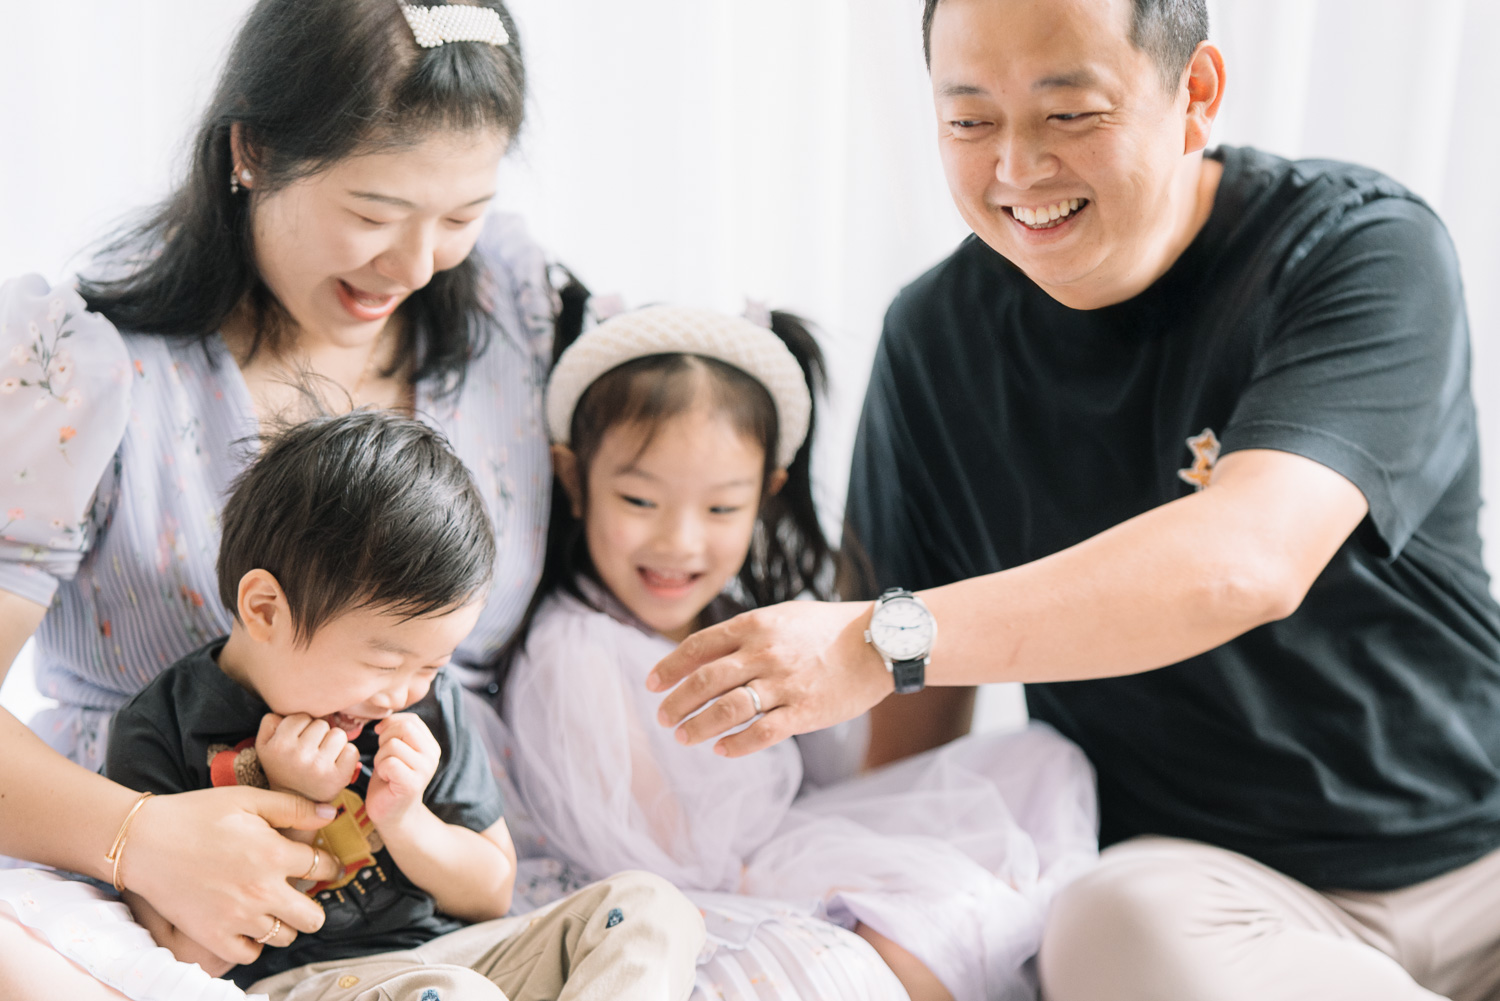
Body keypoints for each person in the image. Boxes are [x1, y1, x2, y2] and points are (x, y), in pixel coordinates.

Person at [647, 0, 1500, 998]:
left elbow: (1248, 557)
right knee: (1102, 921)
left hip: (1482, 849)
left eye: (1069, 114)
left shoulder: (1354, 247)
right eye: (969, 120)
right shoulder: (934, 343)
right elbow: (908, 735)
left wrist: (871, 640)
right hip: (1212, 890)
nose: (1015, 168)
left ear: (1198, 94)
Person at [0, 2, 560, 997]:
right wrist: (141, 840)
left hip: (434, 863)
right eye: (375, 213)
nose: (416, 262)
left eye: (461, 218)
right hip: (144, 863)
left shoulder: (510, 317)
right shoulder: (85, 371)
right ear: (252, 150)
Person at [499, 304, 1097, 1001]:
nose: (679, 542)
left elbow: (830, 766)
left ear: (765, 494)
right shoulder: (577, 651)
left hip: (788, 837)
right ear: (574, 479)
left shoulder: (747, 618)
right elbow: (659, 857)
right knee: (928, 923)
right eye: (639, 499)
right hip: (700, 885)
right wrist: (837, 877)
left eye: (721, 509)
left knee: (1042, 762)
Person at [101, 410, 703, 1001]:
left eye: (433, 666)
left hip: (462, 957)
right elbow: (179, 957)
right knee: (448, 993)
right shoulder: (161, 728)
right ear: (264, 610)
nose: (404, 692)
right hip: (304, 983)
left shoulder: (421, 704)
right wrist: (292, 806)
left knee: (650, 907)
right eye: (386, 664)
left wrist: (405, 816)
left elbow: (490, 893)